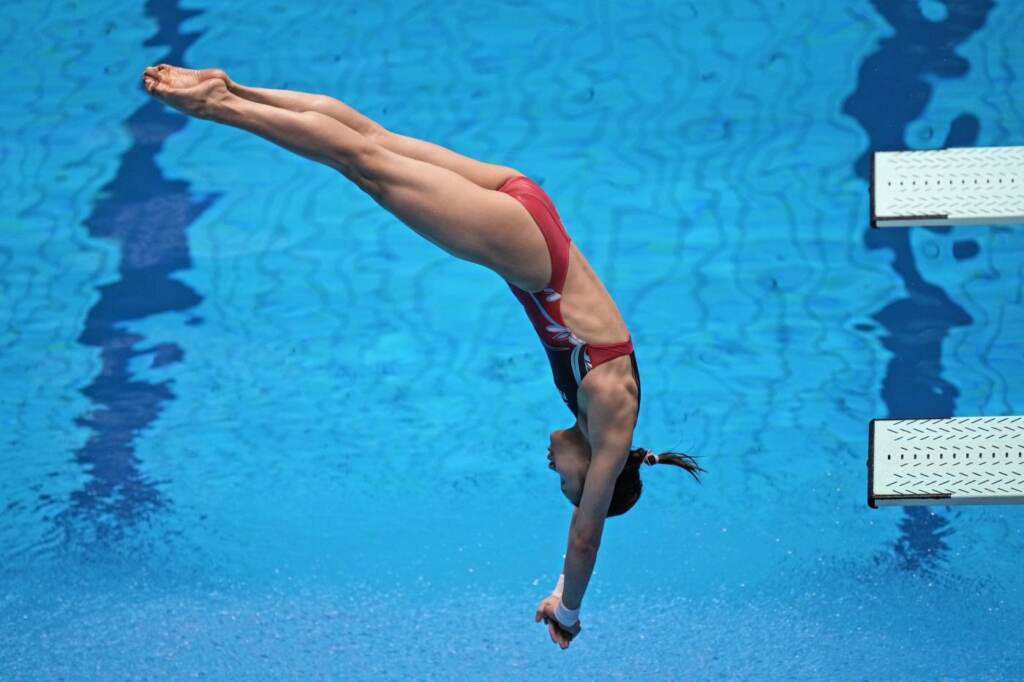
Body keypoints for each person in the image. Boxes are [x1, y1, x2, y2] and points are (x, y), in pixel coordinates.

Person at [142, 64, 704, 649]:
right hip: (525, 247)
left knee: (373, 139)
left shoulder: (606, 426)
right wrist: (568, 612)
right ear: (593, 473)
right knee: (366, 165)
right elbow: (586, 534)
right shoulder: (612, 420)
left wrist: (561, 582)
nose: (555, 475)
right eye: (567, 484)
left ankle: (232, 88)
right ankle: (219, 106)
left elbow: (584, 529)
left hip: (528, 207)